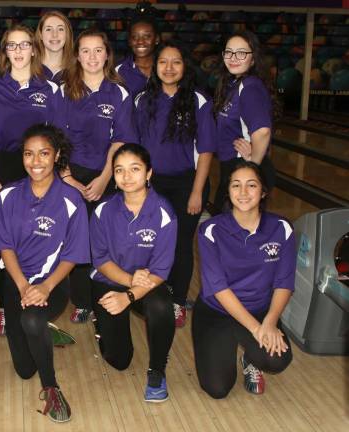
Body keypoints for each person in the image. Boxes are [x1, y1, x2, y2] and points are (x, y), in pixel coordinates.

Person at [0, 124, 89, 423]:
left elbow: (73, 255)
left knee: (32, 318)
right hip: (16, 281)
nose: (36, 161)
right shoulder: (8, 194)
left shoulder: (72, 200)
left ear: (57, 155)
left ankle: (51, 387)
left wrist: (45, 287)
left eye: (44, 154)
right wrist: (23, 286)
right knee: (23, 368)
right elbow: (5, 246)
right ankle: (43, 333)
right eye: (29, 154)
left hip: (53, 282)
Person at [0, 23, 61, 335]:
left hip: (37, 168)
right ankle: (4, 305)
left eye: (25, 45)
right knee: (3, 240)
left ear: (34, 49)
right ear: (5, 52)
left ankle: (37, 294)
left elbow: (56, 137)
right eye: (12, 45)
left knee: (34, 234)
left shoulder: (49, 89)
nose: (19, 51)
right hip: (2, 167)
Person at [193, 161, 293, 398]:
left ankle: (251, 359)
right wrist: (257, 330)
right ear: (228, 191)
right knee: (217, 389)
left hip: (259, 310)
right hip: (217, 311)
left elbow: (284, 282)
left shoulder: (281, 228)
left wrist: (270, 321)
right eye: (236, 185)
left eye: (251, 185)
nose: (243, 193)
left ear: (263, 191)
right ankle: (229, 345)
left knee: (277, 359)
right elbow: (218, 288)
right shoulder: (210, 230)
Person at [133, 42, 216, 327]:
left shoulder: (198, 101)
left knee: (181, 244)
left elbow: (205, 151)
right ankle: (151, 292)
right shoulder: (142, 100)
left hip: (186, 183)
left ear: (185, 66)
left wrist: (196, 191)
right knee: (150, 241)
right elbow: (137, 146)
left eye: (176, 62)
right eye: (163, 62)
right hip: (151, 183)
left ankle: (178, 300)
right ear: (155, 67)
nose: (169, 68)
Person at [57, 29, 137, 323]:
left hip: (105, 173)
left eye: (98, 50)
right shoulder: (63, 88)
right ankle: (80, 301)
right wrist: (67, 178)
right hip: (67, 171)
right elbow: (55, 138)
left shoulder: (120, 93)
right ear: (76, 55)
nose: (92, 57)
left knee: (101, 242)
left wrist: (106, 177)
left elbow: (120, 140)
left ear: (107, 54)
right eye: (85, 51)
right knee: (74, 240)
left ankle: (103, 298)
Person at [89, 143, 177, 402]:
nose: (126, 177)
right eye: (119, 170)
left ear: (149, 173)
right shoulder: (103, 210)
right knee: (119, 361)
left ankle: (157, 370)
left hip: (148, 283)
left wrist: (128, 296)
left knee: (162, 307)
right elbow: (101, 260)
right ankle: (101, 321)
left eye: (134, 169)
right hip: (110, 280)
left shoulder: (164, 212)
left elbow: (160, 271)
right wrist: (127, 281)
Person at [212, 30, 278, 211]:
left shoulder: (249, 88)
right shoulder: (235, 84)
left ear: (253, 58)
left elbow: (263, 131)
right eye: (229, 52)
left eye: (241, 53)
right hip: (236, 169)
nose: (233, 57)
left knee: (230, 231)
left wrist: (252, 165)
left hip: (243, 170)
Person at [115, 14, 160, 98]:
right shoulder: (119, 71)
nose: (140, 41)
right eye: (135, 37)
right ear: (129, 41)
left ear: (156, 39)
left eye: (147, 36)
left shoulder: (167, 68)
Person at [35, 10, 74, 82]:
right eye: (48, 29)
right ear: (40, 35)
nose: (55, 35)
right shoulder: (29, 68)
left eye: (60, 29)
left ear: (67, 34)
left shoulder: (77, 70)